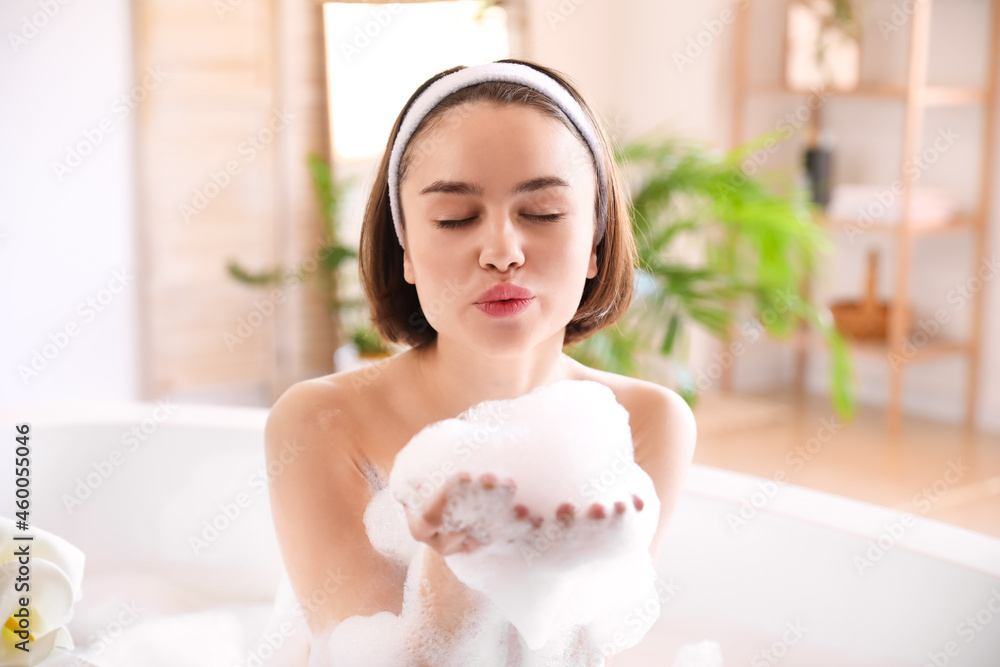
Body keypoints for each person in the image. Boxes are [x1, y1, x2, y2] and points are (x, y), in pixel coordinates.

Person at [263, 58, 697, 665]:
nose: (502, 251)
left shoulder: (649, 421)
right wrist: (458, 563)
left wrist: (560, 570)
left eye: (542, 213)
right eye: (454, 219)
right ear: (407, 250)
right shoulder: (319, 420)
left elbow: (591, 651)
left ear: (595, 243)